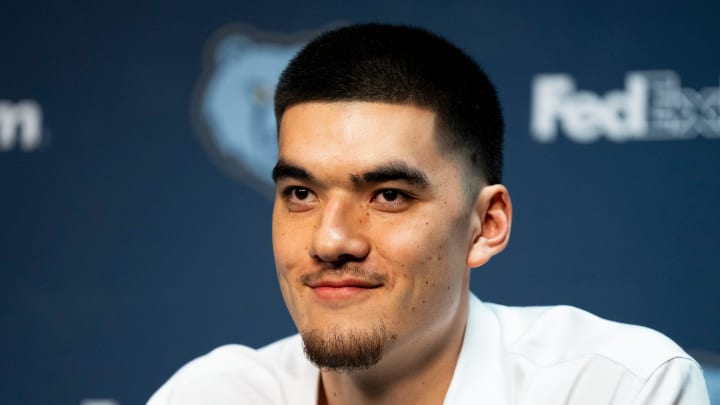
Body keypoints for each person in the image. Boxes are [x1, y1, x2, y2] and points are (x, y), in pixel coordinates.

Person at [148, 23, 709, 404]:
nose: (332, 238)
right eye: (301, 193)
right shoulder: (209, 394)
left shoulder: (613, 388)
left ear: (486, 225)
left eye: (388, 195)